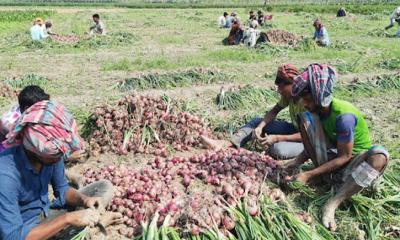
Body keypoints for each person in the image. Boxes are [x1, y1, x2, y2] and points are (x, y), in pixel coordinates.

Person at [287, 63, 389, 231]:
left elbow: (345, 157)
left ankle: (333, 203)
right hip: (335, 160)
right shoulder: (319, 113)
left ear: (318, 94)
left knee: (379, 155)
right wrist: (296, 162)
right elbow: (319, 143)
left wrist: (309, 174)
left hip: (355, 165)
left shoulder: (344, 117)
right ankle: (324, 176)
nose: (304, 103)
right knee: (304, 119)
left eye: (306, 98)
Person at [0, 100, 122, 239]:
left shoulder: (51, 156)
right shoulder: (5, 175)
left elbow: (63, 189)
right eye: (56, 155)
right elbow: (12, 237)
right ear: (35, 150)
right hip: (25, 231)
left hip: (47, 214)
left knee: (103, 187)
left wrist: (84, 200)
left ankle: (78, 230)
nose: (61, 158)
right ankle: (89, 231)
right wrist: (67, 219)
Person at [201, 64, 305, 160]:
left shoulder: (306, 101)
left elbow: (309, 134)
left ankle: (270, 151)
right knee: (256, 122)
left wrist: (277, 138)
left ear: (292, 84)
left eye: (281, 87)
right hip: (294, 129)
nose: (279, 91)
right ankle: (227, 143)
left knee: (277, 150)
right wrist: (260, 127)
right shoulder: (289, 96)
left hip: (307, 141)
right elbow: (273, 112)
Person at [0, 85, 50, 151]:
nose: (44, 110)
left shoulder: (29, 110)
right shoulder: (12, 123)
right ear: (27, 109)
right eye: (41, 108)